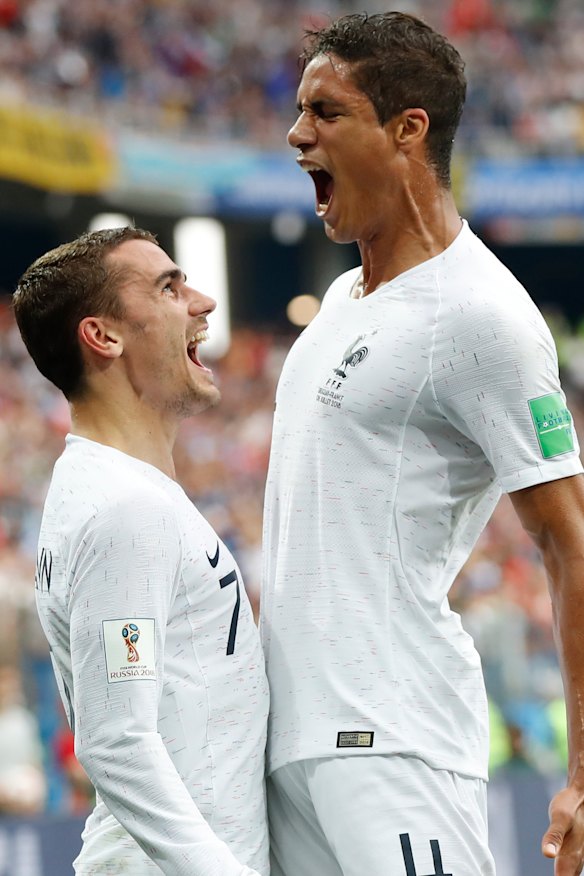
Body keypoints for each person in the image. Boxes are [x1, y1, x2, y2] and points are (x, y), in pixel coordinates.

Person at [260, 11, 584, 876]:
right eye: (300, 110)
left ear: (409, 130)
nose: (297, 135)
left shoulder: (482, 316)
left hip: (393, 740)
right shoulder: (338, 305)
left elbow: (569, 542)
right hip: (291, 746)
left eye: (326, 113)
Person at [12, 226, 269, 876]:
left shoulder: (118, 490)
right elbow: (117, 741)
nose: (203, 302)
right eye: (169, 287)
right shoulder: (123, 508)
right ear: (104, 336)